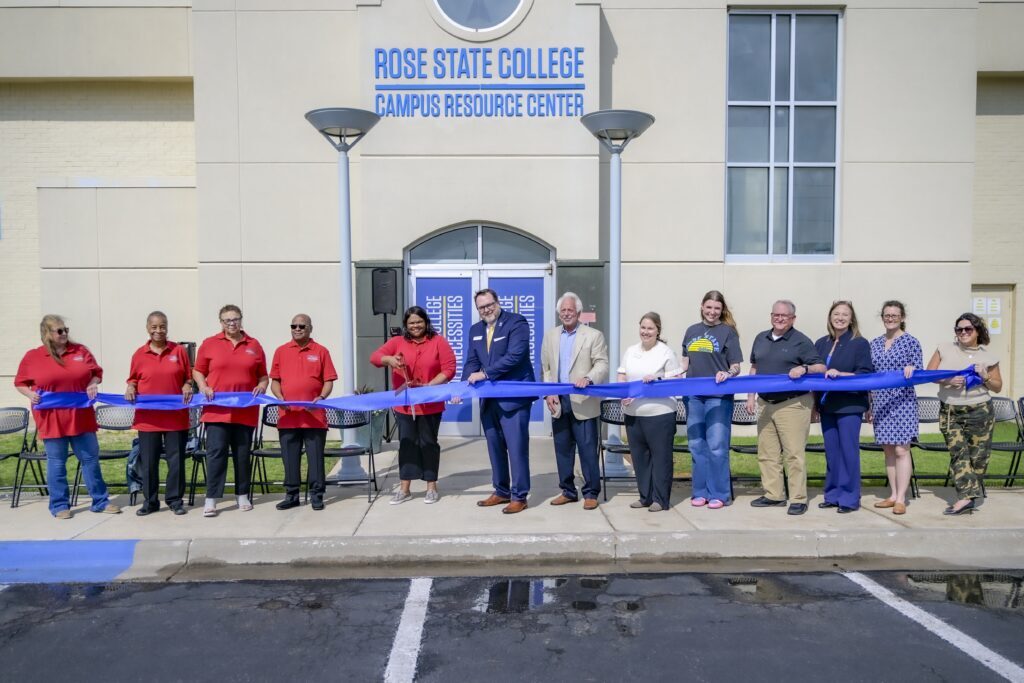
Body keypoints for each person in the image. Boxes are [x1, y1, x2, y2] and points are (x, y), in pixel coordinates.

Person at [14, 315, 121, 519]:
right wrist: (30, 394)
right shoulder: (33, 357)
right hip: (51, 418)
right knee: (57, 462)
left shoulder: (80, 351)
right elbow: (20, 382)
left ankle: (100, 501)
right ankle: (59, 505)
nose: (64, 334)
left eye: (65, 329)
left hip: (81, 416)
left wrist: (93, 383)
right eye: (59, 330)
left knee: (90, 459)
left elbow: (96, 373)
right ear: (47, 334)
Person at [746, 300, 826, 516]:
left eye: (784, 316)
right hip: (765, 403)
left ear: (793, 319)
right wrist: (750, 396)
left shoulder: (801, 341)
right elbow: (754, 366)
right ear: (771, 315)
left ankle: (798, 498)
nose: (779, 319)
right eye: (776, 315)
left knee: (794, 454)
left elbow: (821, 367)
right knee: (767, 453)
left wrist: (805, 368)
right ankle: (774, 495)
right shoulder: (760, 338)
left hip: (792, 404)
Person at [371, 306, 456, 505]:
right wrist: (390, 359)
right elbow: (375, 358)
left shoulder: (438, 342)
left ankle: (431, 487)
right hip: (404, 405)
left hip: (430, 404)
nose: (415, 326)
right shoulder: (397, 342)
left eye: (419, 322)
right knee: (407, 443)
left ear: (426, 322)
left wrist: (429, 387)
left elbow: (450, 368)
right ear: (406, 326)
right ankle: (405, 489)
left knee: (428, 443)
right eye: (411, 323)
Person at [462, 288, 535, 514]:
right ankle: (501, 491)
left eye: (489, 304)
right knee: (495, 448)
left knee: (516, 448)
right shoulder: (475, 330)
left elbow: (515, 356)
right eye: (481, 307)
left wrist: (485, 374)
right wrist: (461, 386)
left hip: (514, 399)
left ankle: (519, 496)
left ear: (497, 302)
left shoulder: (516, 323)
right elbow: (471, 361)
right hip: (489, 400)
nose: (486, 310)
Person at [193, 304, 268, 517]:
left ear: (241, 320)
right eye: (227, 320)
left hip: (245, 411)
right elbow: (198, 371)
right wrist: (203, 386)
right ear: (221, 323)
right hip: (216, 411)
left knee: (242, 455)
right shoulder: (209, 344)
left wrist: (262, 386)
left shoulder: (254, 344)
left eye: (235, 319)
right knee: (216, 454)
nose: (232, 323)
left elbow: (263, 375)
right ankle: (211, 499)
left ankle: (242, 495)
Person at [926, 313, 1002, 515]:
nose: (963, 333)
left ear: (978, 331)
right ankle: (965, 498)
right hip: (951, 410)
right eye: (959, 329)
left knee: (978, 458)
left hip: (980, 410)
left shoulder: (988, 357)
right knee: (958, 453)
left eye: (968, 329)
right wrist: (948, 380)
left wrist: (985, 377)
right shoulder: (944, 348)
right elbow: (930, 374)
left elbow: (997, 387)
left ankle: (969, 495)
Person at [541, 292, 609, 510]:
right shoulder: (550, 335)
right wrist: (548, 392)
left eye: (570, 310)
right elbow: (546, 368)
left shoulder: (593, 335)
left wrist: (589, 378)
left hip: (583, 400)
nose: (567, 313)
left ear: (578, 313)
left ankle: (591, 492)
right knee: (562, 448)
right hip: (559, 401)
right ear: (558, 313)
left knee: (588, 448)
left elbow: (602, 364)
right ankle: (568, 491)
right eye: (563, 310)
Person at [125, 311, 193, 516]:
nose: (158, 330)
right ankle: (151, 501)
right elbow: (133, 379)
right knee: (149, 462)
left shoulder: (179, 351)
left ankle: (174, 500)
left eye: (162, 326)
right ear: (148, 328)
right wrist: (130, 387)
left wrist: (187, 385)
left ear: (167, 327)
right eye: (154, 327)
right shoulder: (139, 354)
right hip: (148, 419)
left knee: (176, 461)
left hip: (175, 418)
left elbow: (187, 378)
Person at [680, 291, 742, 509]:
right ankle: (700, 491)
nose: (712, 312)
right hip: (693, 396)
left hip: (718, 396)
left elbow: (736, 365)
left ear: (721, 310)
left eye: (717, 308)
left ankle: (720, 494)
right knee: (697, 445)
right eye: (709, 307)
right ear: (702, 306)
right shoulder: (691, 331)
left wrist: (728, 373)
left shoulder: (728, 332)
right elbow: (684, 365)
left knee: (716, 446)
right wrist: (666, 376)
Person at [270, 314, 337, 512]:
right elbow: (275, 380)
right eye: (294, 325)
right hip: (288, 416)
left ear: (310, 328)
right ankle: (292, 495)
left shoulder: (321, 351)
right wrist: (279, 397)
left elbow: (329, 380)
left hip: (314, 416)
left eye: (302, 326)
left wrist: (322, 398)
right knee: (290, 458)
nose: (297, 329)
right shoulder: (281, 351)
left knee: (315, 457)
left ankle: (316, 495)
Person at [813, 301, 874, 513]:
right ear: (830, 317)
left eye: (844, 314)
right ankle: (832, 495)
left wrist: (841, 375)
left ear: (851, 319)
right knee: (831, 453)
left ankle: (848, 498)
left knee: (848, 452)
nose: (840, 317)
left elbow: (866, 374)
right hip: (827, 405)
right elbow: (814, 375)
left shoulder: (860, 343)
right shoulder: (821, 343)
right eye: (836, 314)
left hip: (849, 405)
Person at [619, 312, 682, 512]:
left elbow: (677, 379)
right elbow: (622, 374)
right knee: (640, 458)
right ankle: (645, 496)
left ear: (658, 331)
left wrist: (657, 378)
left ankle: (660, 499)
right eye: (643, 327)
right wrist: (623, 394)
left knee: (661, 458)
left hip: (660, 413)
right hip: (634, 414)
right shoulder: (630, 351)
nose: (646, 332)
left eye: (650, 328)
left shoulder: (665, 352)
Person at [869, 301, 922, 515]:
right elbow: (870, 376)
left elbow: (918, 370)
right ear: (882, 317)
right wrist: (870, 403)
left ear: (902, 317)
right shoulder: (874, 343)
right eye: (887, 315)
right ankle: (892, 495)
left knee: (902, 449)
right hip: (881, 402)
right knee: (888, 449)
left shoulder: (911, 342)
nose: (890, 318)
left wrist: (913, 368)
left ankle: (901, 498)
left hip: (903, 401)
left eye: (894, 315)